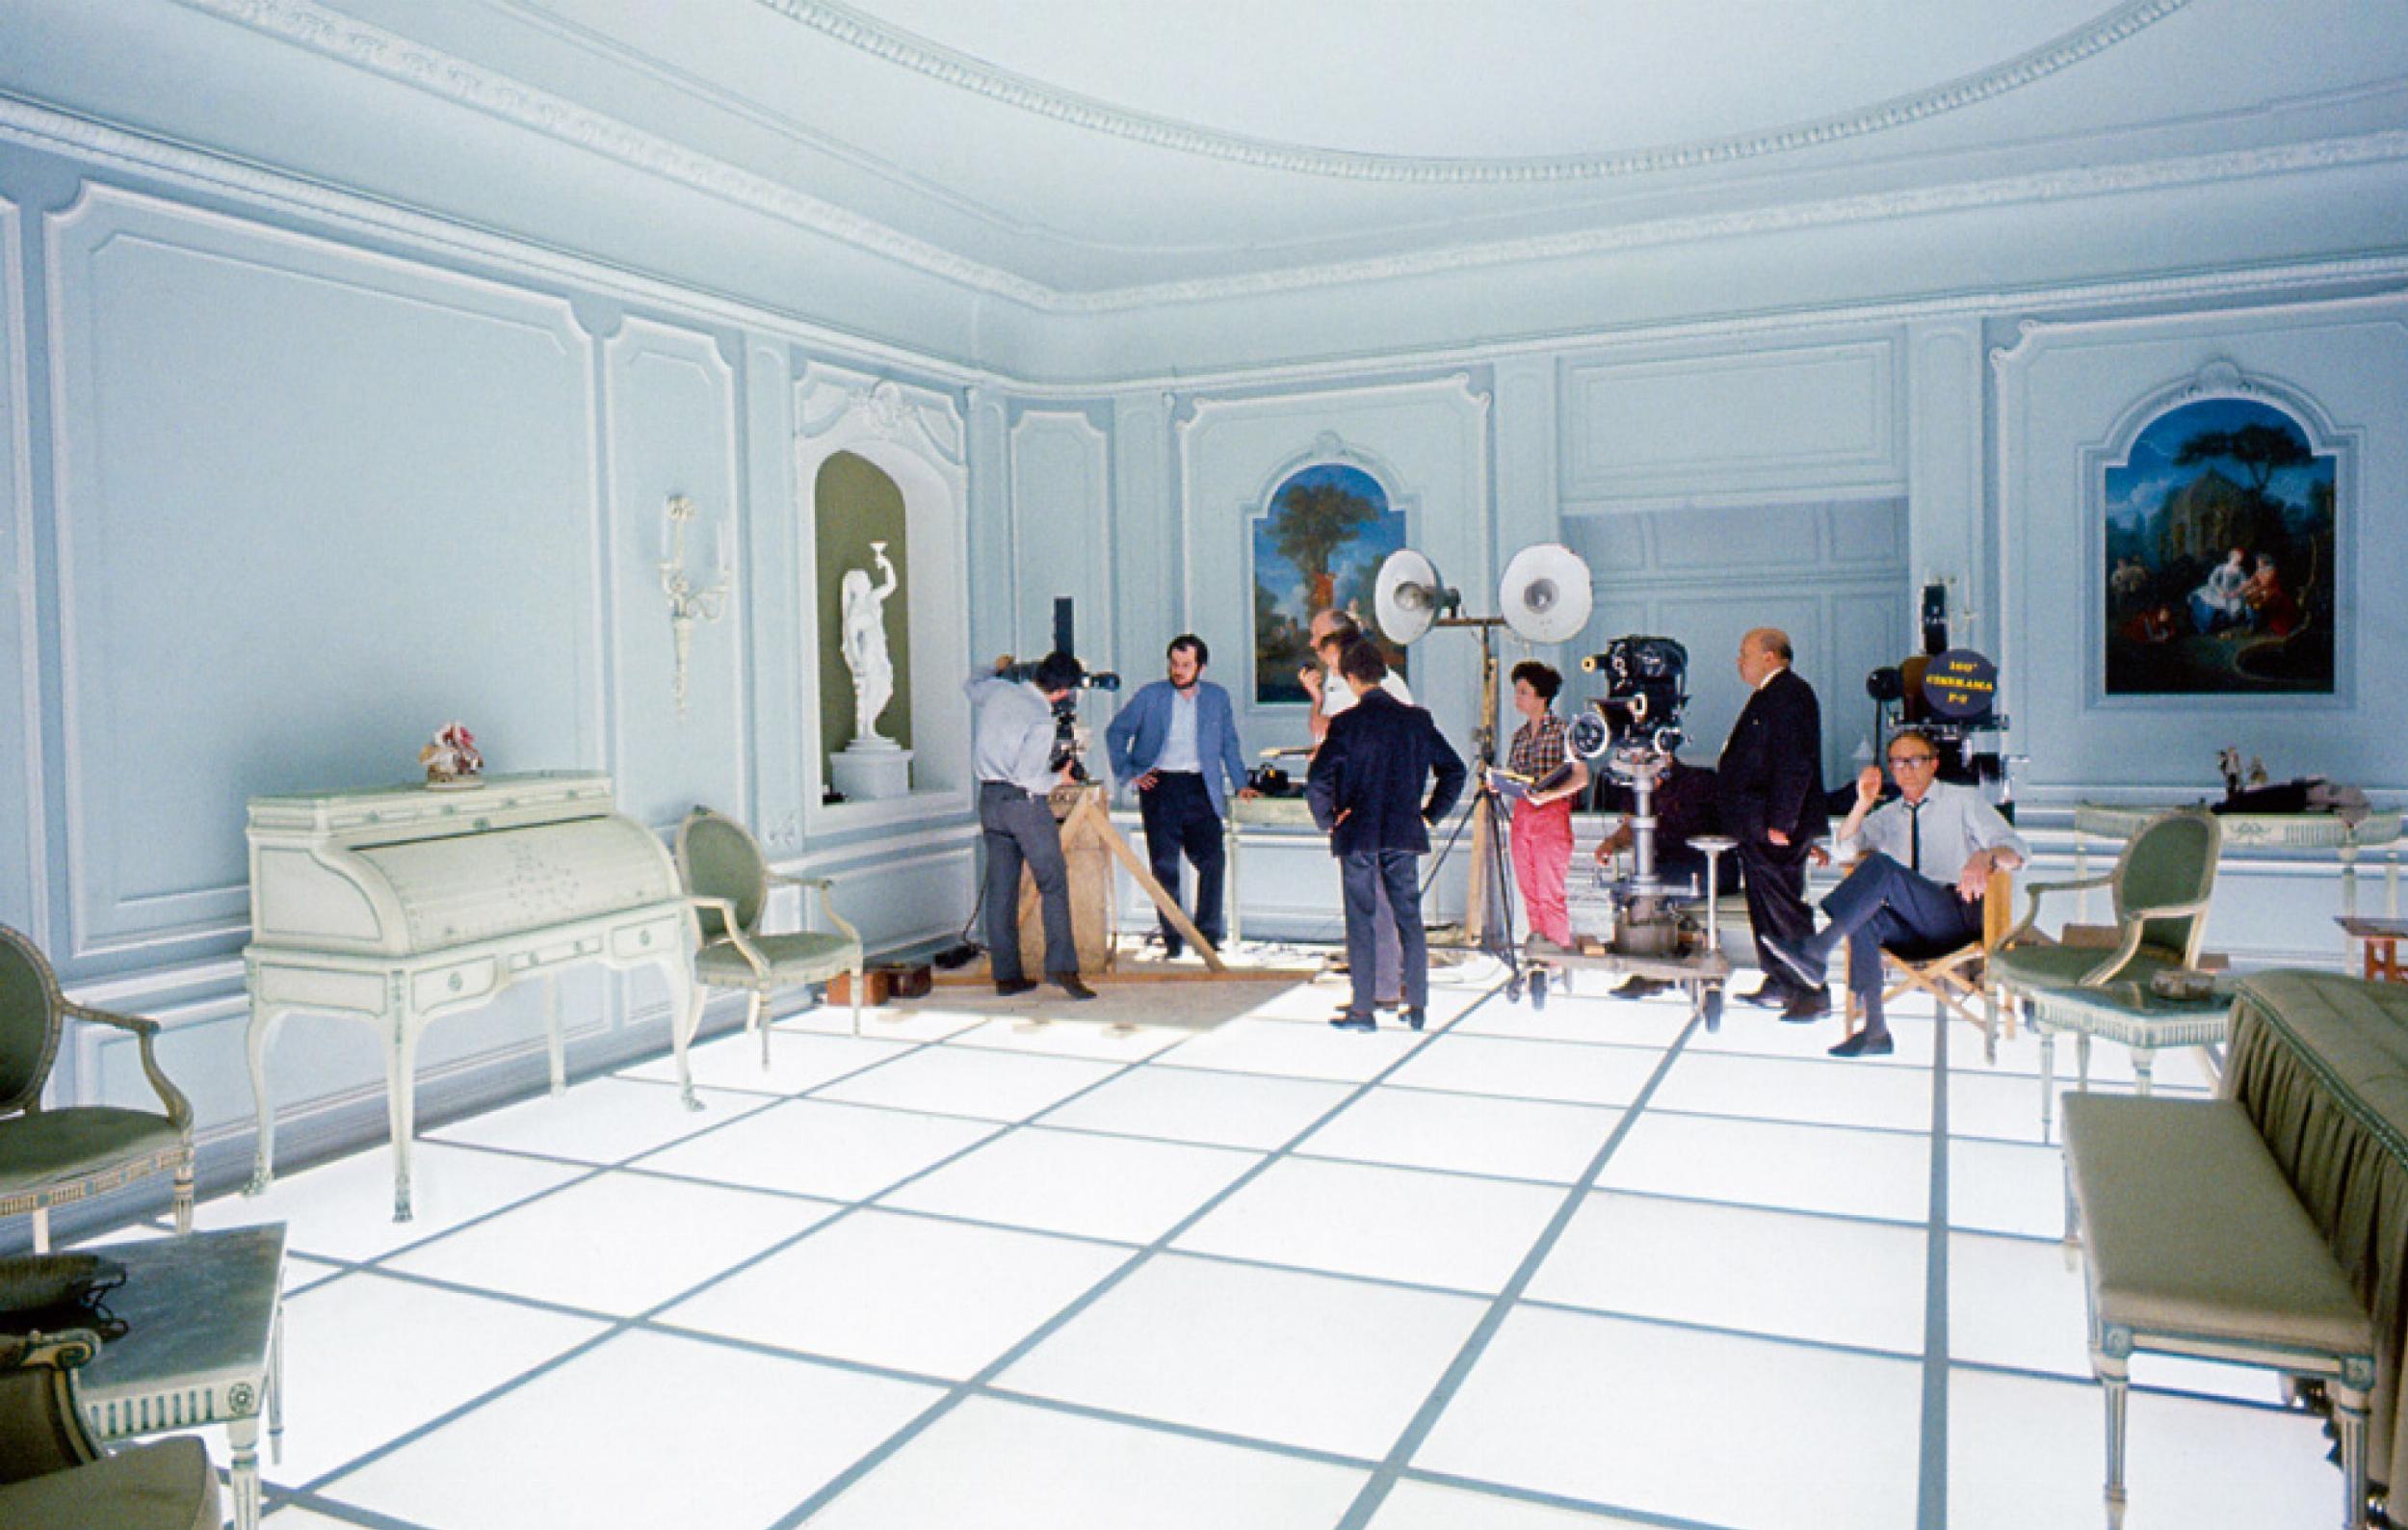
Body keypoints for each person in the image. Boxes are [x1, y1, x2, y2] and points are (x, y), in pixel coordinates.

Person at [1763, 727, 2028, 1057]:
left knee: (1883, 869)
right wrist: (1862, 803)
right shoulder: (1888, 814)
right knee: (1865, 915)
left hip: (1954, 917)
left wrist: (1985, 856)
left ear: (1934, 764)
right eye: (1898, 763)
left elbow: (2019, 852)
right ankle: (1875, 1031)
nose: (1906, 769)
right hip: (1910, 927)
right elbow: (1844, 852)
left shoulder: (1963, 801)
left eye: (1915, 760)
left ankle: (1818, 948)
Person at [1308, 637, 1467, 1033]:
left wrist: (1330, 821)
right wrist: (1429, 816)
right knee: (1409, 919)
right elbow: (1455, 770)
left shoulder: (1346, 724)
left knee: (1361, 921)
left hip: (1357, 834)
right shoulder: (1417, 721)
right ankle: (1417, 1006)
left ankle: (1363, 1009)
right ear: (1381, 673)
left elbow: (1317, 781)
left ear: (1350, 678)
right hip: (1403, 832)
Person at [1106, 634, 1256, 959]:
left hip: (1202, 786)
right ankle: (1172, 938)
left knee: (1212, 860)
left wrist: (1241, 783)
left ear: (1201, 667)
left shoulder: (1217, 697)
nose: (1178, 670)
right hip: (1160, 786)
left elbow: (1229, 743)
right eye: (1174, 663)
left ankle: (1207, 937)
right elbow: (1116, 732)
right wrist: (1129, 772)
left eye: (1186, 664)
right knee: (1165, 865)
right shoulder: (1150, 696)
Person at [964, 652, 1094, 1001]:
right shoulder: (1040, 720)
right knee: (1053, 882)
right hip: (1023, 804)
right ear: (1062, 692)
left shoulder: (999, 691)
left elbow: (971, 684)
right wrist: (1061, 778)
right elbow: (1028, 778)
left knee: (1001, 891)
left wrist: (997, 668)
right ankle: (1062, 969)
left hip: (989, 800)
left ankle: (1006, 977)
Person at [1302, 609, 1415, 1009]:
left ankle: (1382, 989)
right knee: (1374, 900)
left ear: (1337, 643)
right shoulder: (1340, 684)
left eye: (1319, 641)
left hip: (1370, 806)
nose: (1313, 647)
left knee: (1374, 901)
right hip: (1365, 804)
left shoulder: (1373, 687)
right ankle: (1384, 981)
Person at [1717, 627, 1829, 1020]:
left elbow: (1794, 762)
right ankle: (1780, 980)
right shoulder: (1771, 695)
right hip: (1757, 824)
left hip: (1774, 826)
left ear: (1769, 656)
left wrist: (1782, 821)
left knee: (1783, 908)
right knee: (1765, 907)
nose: (1739, 661)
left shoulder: (1790, 694)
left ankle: (1811, 991)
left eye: (1744, 653)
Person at [1592, 746, 1728, 998]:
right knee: (1624, 893)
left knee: (1650, 895)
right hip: (1662, 870)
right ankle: (1649, 967)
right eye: (1633, 756)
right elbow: (1629, 829)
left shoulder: (1700, 781)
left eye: (1643, 754)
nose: (1638, 760)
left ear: (1666, 754)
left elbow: (1733, 825)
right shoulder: (1634, 787)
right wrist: (1611, 843)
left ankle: (1653, 973)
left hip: (1706, 867)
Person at [1504, 661, 1589, 953]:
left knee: (1550, 891)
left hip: (1551, 814)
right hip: (1522, 813)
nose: (1517, 698)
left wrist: (1550, 795)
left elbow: (1580, 777)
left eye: (1524, 691)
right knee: (1529, 891)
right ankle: (1539, 953)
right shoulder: (1519, 736)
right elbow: (1515, 776)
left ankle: (1557, 958)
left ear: (1542, 696)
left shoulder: (1565, 732)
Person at [840, 542, 901, 744]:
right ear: (856, 587)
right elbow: (851, 639)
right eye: (865, 581)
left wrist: (886, 564)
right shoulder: (854, 613)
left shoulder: (873, 600)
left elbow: (891, 585)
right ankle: (868, 729)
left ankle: (870, 727)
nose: (868, 583)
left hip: (879, 650)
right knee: (870, 690)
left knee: (885, 688)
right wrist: (857, 661)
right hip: (868, 654)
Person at [2187, 547, 2249, 635]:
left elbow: (2244, 584)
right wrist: (2219, 590)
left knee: (2234, 606)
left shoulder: (2240, 570)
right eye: (2236, 556)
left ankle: (2220, 627)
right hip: (2218, 590)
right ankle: (2204, 627)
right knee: (2208, 606)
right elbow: (2212, 579)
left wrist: (2236, 592)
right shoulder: (2221, 567)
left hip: (2232, 593)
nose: (2238, 559)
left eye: (2240, 557)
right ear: (2231, 556)